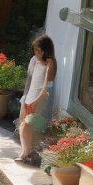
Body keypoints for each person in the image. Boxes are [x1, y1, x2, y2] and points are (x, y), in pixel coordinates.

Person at [18, 35, 57, 163]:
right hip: (29, 96)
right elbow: (29, 81)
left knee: (27, 125)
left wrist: (36, 101)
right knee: (22, 124)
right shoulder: (34, 60)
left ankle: (25, 153)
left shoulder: (50, 62)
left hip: (40, 98)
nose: (37, 53)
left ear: (46, 50)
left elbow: (46, 87)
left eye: (39, 50)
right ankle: (26, 151)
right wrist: (24, 97)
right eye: (35, 50)